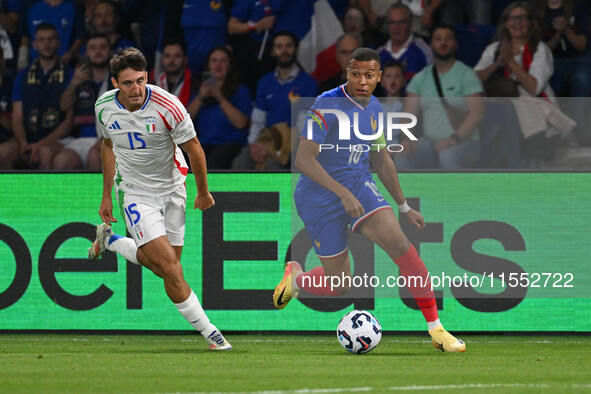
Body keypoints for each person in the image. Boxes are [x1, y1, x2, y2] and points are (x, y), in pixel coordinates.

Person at [273, 47, 466, 353]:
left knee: (401, 244)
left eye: (368, 75)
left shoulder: (375, 108)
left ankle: (436, 329)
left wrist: (403, 206)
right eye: (355, 74)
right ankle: (296, 281)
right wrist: (342, 193)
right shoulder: (324, 105)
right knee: (339, 286)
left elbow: (381, 158)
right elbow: (304, 160)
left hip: (359, 184)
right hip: (319, 196)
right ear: (346, 73)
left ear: (378, 77)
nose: (361, 80)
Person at [89, 48, 231, 350]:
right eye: (127, 83)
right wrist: (106, 197)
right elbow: (106, 145)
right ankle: (212, 335)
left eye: (140, 80)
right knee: (170, 269)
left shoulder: (169, 106)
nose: (136, 89)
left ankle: (111, 242)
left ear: (147, 77)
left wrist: (203, 191)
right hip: (135, 193)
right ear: (115, 83)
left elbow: (194, 149)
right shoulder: (103, 107)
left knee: (165, 266)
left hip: (172, 189)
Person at [396, 25, 484, 169]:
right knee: (403, 155)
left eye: (448, 39)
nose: (443, 43)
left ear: (455, 44)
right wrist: (407, 139)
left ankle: (451, 192)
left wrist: (454, 139)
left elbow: (477, 113)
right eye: (438, 39)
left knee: (447, 156)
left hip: (465, 142)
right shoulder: (421, 77)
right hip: (430, 142)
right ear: (431, 45)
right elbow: (408, 115)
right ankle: (408, 192)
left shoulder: (467, 74)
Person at [0, 23, 73, 169]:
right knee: (3, 152)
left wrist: (39, 145)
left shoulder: (70, 74)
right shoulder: (22, 75)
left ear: (58, 42)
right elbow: (17, 116)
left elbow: (68, 122)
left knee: (44, 153)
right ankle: (11, 192)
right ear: (34, 44)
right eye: (41, 40)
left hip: (59, 140)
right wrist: (23, 143)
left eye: (51, 39)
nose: (46, 44)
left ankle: (45, 192)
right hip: (27, 138)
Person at [186, 46, 252, 169]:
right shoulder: (199, 90)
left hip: (231, 144)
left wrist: (220, 97)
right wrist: (200, 98)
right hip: (203, 143)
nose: (218, 65)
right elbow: (184, 121)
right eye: (214, 60)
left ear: (230, 65)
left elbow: (241, 123)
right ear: (208, 65)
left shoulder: (240, 90)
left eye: (223, 61)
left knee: (213, 162)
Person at [55, 32, 113, 170]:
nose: (98, 51)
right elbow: (64, 106)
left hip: (109, 139)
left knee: (96, 156)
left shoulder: (119, 78)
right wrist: (74, 83)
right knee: (61, 161)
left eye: (102, 47)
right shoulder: (78, 77)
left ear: (111, 52)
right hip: (79, 139)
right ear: (86, 52)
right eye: (93, 48)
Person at [248, 31, 317, 145]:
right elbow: (258, 120)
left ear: (296, 49)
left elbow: (304, 124)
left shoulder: (309, 83)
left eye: (289, 46)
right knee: (240, 162)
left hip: (294, 143)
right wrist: (253, 144)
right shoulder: (264, 82)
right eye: (279, 46)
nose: (284, 51)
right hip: (267, 140)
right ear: (273, 51)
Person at [17, 0, 85, 69]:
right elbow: (25, 36)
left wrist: (69, 54)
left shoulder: (73, 7)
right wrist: (22, 60)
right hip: (35, 63)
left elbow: (80, 37)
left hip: (65, 65)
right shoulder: (30, 6)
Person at [377, 4, 433, 83]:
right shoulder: (378, 55)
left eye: (401, 22)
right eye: (392, 22)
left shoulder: (424, 51)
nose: (396, 27)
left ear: (411, 23)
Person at [151, 38, 193, 107]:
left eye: (177, 56)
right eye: (167, 56)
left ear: (185, 59)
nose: (171, 61)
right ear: (162, 59)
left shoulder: (195, 84)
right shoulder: (154, 85)